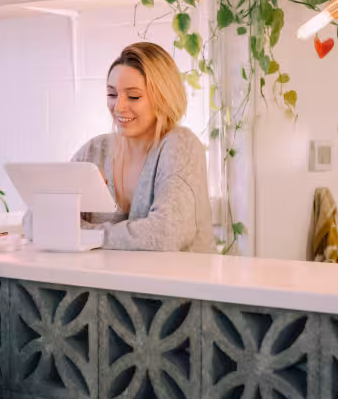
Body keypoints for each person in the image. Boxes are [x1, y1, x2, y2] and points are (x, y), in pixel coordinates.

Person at [27, 42, 213, 252]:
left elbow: (166, 234)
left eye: (133, 96)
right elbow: (34, 224)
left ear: (163, 97)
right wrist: (72, 198)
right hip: (107, 282)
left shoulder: (180, 146)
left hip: (175, 282)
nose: (119, 106)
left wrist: (84, 235)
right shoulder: (95, 150)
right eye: (112, 95)